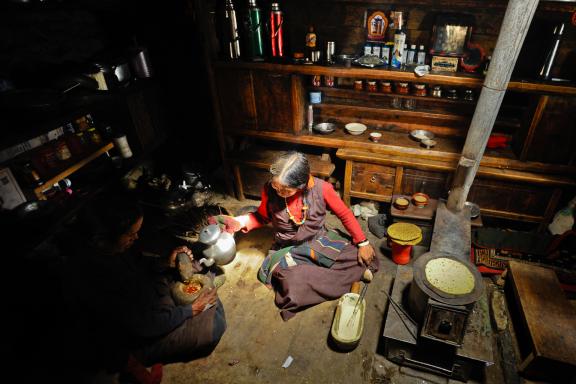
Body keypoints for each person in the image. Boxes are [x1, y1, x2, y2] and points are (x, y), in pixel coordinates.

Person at [61, 195, 226, 383]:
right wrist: (191, 310)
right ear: (101, 239)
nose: (136, 237)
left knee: (199, 275)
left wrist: (165, 262)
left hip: (147, 302)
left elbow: (139, 265)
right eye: (131, 235)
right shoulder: (91, 279)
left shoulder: (112, 248)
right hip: (136, 337)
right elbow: (144, 325)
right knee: (215, 326)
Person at [211, 151, 379, 320]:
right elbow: (261, 216)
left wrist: (363, 243)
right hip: (288, 249)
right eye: (276, 187)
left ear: (303, 184)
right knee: (292, 284)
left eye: (286, 190)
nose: (279, 192)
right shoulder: (269, 190)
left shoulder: (322, 189)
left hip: (318, 241)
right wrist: (239, 222)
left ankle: (337, 275)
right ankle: (351, 275)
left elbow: (344, 214)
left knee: (359, 252)